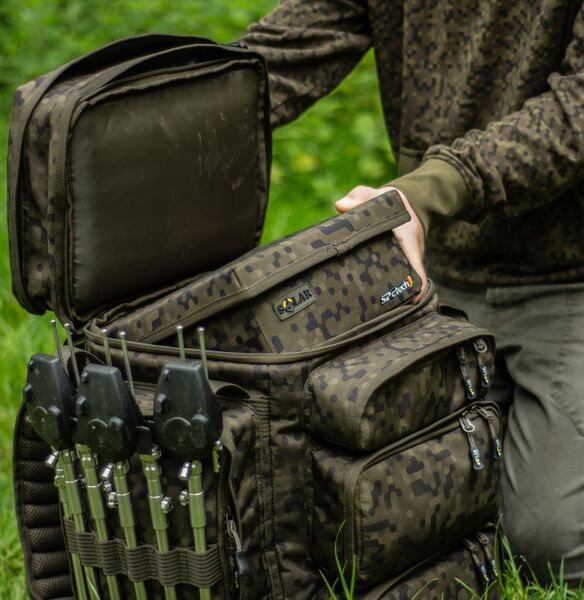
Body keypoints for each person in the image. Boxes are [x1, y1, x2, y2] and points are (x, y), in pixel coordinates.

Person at [242, 0, 584, 586]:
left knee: (549, 543)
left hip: (567, 277)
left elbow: (575, 109)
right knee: (360, 512)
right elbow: (288, 48)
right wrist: (165, 104)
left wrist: (428, 193)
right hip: (433, 280)